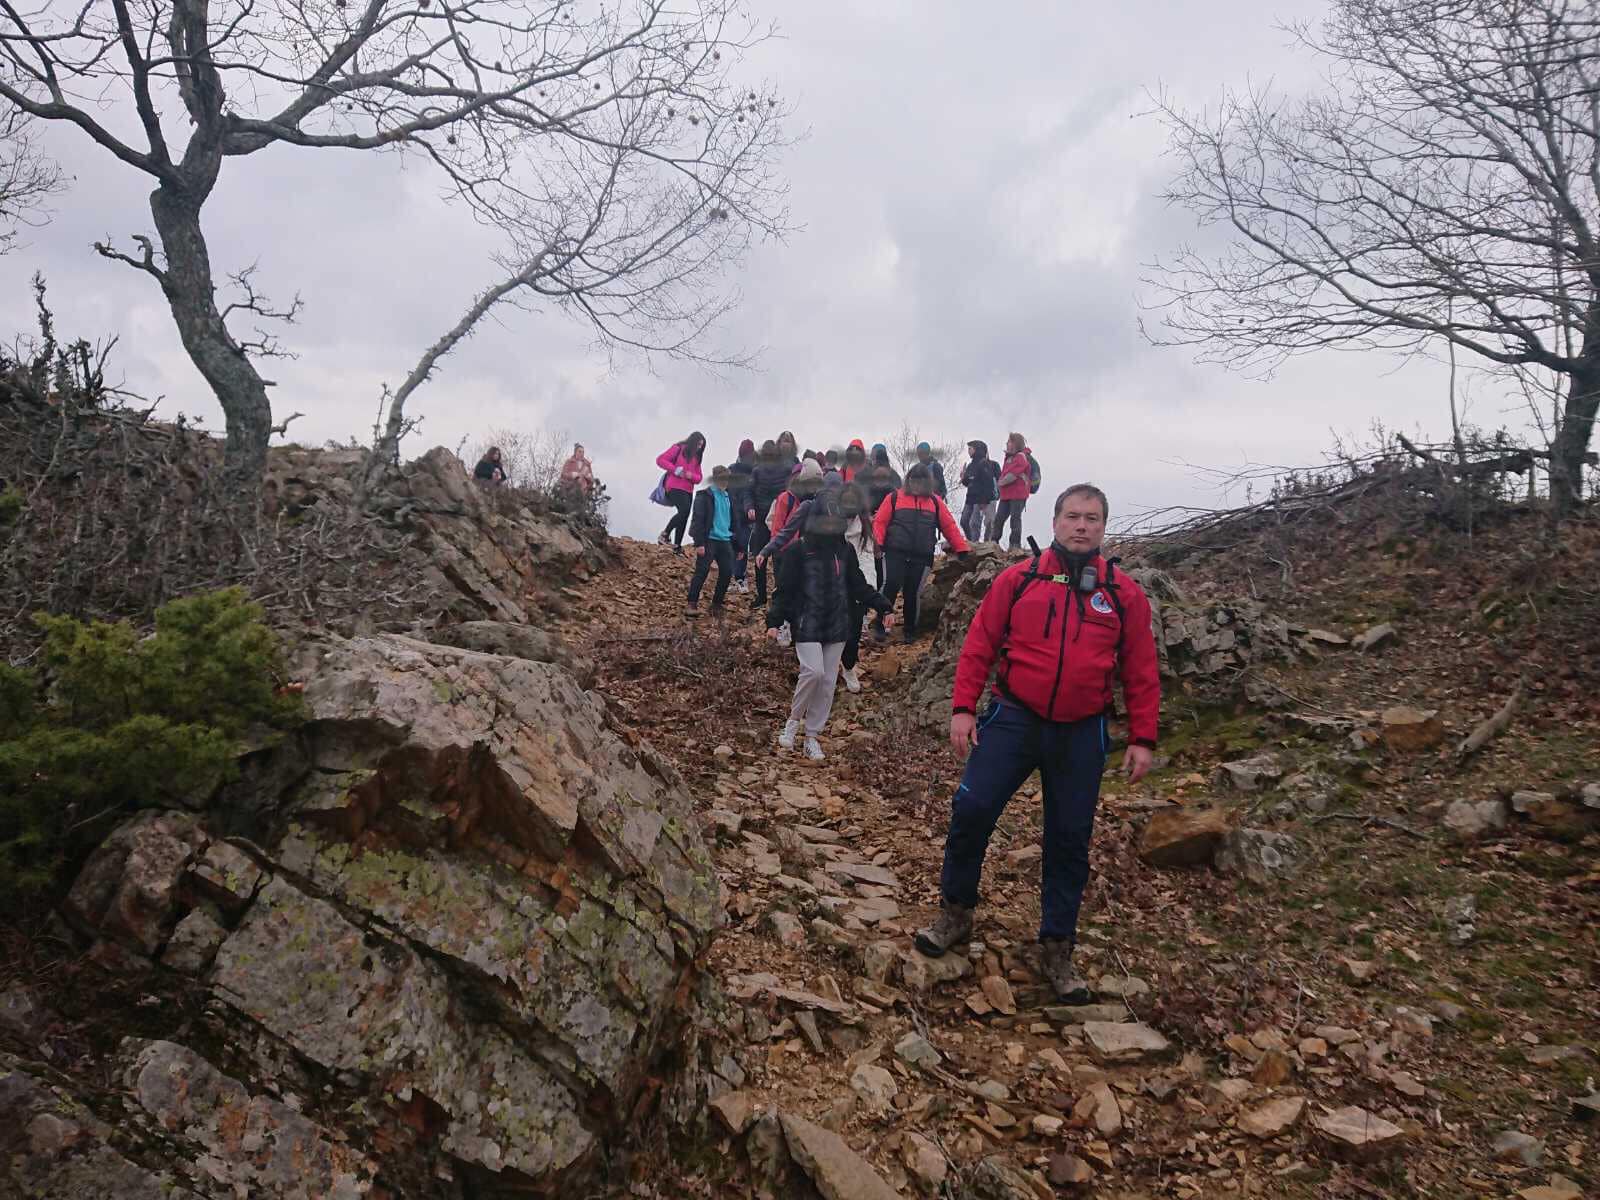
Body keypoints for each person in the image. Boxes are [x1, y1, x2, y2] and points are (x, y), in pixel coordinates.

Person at [913, 484, 1160, 1004]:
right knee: (973, 809)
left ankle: (1057, 946)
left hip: (1082, 731)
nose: (1082, 526)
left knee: (1069, 839)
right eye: (1073, 516)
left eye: (1092, 518)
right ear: (1055, 522)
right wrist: (962, 708)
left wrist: (1142, 736)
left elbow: (1140, 669)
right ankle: (955, 912)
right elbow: (979, 643)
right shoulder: (1019, 580)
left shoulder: (1123, 594)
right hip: (1015, 718)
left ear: (1103, 527)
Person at [766, 490, 894, 761]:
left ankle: (812, 736)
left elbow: (858, 585)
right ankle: (792, 721)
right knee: (812, 672)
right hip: (807, 620)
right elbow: (784, 590)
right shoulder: (799, 550)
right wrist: (774, 622)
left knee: (826, 682)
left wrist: (883, 605)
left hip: (837, 624)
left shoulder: (844, 550)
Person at [871, 462, 969, 643]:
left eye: (920, 482)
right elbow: (880, 522)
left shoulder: (934, 502)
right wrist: (879, 543)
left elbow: (949, 526)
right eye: (913, 481)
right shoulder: (894, 497)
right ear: (908, 480)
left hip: (922, 555)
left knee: (912, 592)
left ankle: (910, 631)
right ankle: (881, 627)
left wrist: (961, 547)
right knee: (890, 586)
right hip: (895, 551)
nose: (916, 485)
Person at [761, 459, 824, 644]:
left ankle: (794, 629)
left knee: (798, 592)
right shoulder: (786, 498)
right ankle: (780, 626)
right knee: (783, 590)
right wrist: (775, 550)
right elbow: (779, 528)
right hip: (784, 553)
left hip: (802, 555)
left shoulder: (809, 500)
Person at [839, 483, 879, 693]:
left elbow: (867, 557)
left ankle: (848, 667)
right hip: (830, 583)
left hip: (855, 583)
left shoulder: (864, 526)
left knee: (853, 633)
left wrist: (867, 586)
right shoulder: (828, 523)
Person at [685, 465, 737, 616]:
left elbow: (733, 521)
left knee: (727, 572)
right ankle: (691, 604)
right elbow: (698, 519)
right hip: (709, 539)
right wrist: (699, 542)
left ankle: (716, 604)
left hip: (725, 539)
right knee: (702, 571)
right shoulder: (705, 495)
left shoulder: (728, 497)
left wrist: (738, 546)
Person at [748, 440, 791, 608]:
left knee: (764, 559)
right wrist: (749, 506)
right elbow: (749, 493)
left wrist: (750, 507)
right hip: (773, 520)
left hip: (770, 520)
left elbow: (748, 493)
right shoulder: (759, 471)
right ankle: (772, 596)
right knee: (774, 559)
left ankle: (765, 597)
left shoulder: (759, 471)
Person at [656, 432, 706, 553]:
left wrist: (691, 476)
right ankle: (665, 534)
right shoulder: (678, 448)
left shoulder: (697, 457)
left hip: (688, 490)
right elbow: (660, 460)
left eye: (702, 446)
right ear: (693, 441)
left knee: (685, 514)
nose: (699, 447)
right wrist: (675, 470)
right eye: (698, 444)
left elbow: (699, 478)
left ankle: (677, 545)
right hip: (674, 487)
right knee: (684, 511)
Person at [728, 439, 758, 593]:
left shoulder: (732, 470)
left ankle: (736, 578)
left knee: (736, 545)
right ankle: (739, 578)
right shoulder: (753, 471)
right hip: (743, 514)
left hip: (735, 513)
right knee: (741, 546)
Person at [994, 432, 1031, 551]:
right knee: (999, 518)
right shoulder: (1009, 458)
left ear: (1015, 443)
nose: (1007, 443)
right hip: (1006, 495)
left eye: (1009, 441)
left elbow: (1013, 474)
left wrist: (1001, 482)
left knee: (1015, 518)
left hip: (1018, 494)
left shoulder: (1020, 456)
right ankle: (993, 541)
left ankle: (1015, 544)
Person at [960, 440, 1001, 543]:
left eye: (970, 448)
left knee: (981, 523)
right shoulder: (970, 465)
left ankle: (981, 544)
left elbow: (990, 483)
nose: (968, 451)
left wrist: (985, 500)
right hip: (971, 498)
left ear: (977, 449)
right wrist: (963, 477)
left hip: (985, 498)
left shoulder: (989, 464)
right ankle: (972, 543)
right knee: (965, 521)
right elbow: (967, 482)